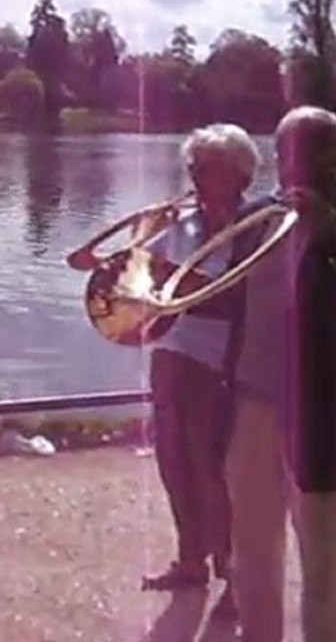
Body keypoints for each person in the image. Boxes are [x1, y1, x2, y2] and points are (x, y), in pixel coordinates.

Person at [223, 105, 336, 642]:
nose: (293, 166)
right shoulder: (257, 220)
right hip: (255, 401)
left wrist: (329, 235)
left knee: (325, 557)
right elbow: (231, 304)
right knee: (252, 544)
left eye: (309, 152)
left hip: (321, 414)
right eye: (284, 152)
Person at [138, 124, 258, 620]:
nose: (193, 174)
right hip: (170, 353)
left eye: (204, 166)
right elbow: (138, 275)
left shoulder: (257, 226)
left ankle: (236, 578)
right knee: (173, 463)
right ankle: (190, 561)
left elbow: (242, 297)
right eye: (192, 166)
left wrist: (182, 284)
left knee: (213, 472)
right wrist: (142, 237)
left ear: (238, 174)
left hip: (219, 362)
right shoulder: (183, 223)